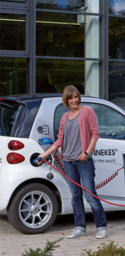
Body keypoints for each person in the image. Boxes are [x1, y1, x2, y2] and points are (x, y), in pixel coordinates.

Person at [37, 85, 107, 239]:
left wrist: (87, 153)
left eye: (76, 96)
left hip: (83, 160)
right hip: (68, 161)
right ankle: (79, 227)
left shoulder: (87, 111)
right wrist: (43, 155)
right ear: (66, 100)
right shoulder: (64, 117)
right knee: (75, 196)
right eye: (71, 97)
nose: (74, 100)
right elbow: (59, 141)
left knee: (90, 196)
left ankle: (101, 226)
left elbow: (95, 134)